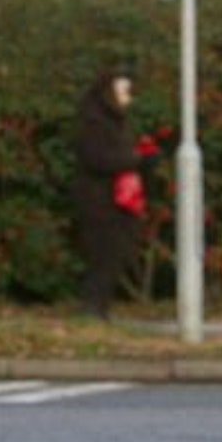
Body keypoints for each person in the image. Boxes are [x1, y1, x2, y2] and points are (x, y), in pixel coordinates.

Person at [72, 68, 157, 320]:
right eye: (123, 92)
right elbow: (98, 159)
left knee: (113, 254)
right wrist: (136, 159)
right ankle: (93, 308)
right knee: (103, 254)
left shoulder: (111, 121)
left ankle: (99, 308)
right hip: (99, 200)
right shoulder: (93, 122)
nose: (127, 98)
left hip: (114, 199)